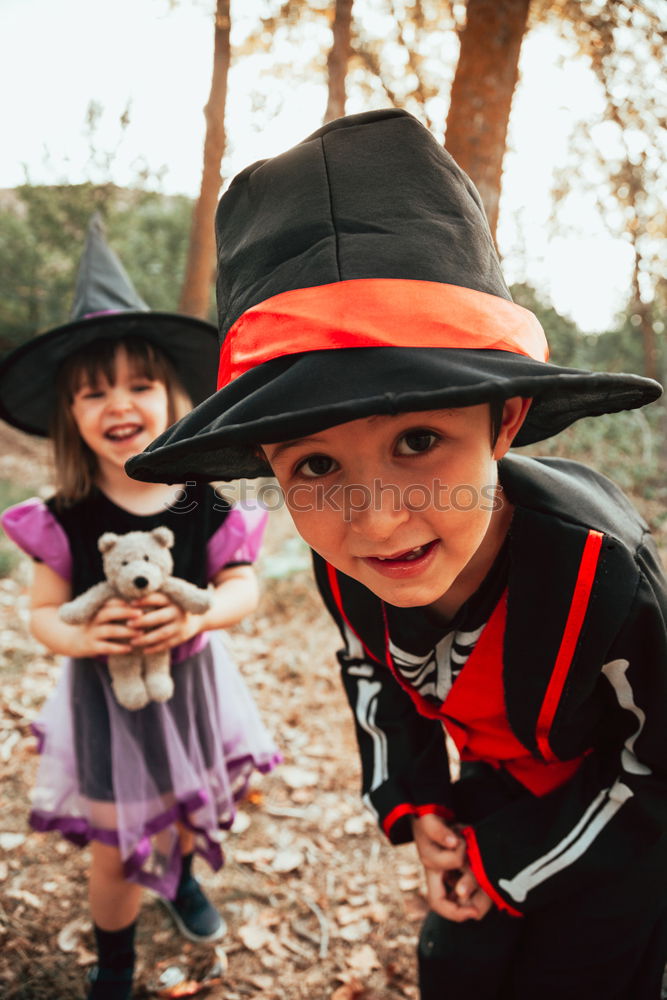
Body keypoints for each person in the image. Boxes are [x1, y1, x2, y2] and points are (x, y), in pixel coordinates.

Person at [126, 110, 667, 998]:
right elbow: (375, 675)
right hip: (483, 797)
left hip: (616, 836)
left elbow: (657, 769)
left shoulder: (604, 571)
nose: (374, 522)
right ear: (268, 467)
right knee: (454, 966)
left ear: (506, 419)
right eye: (315, 464)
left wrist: (506, 863)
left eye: (418, 440)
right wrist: (417, 808)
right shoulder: (345, 569)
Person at [0, 216, 280, 1000]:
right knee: (116, 844)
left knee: (187, 810)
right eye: (93, 392)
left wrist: (198, 618)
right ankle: (115, 964)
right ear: (70, 415)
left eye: (139, 384)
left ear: (173, 398)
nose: (118, 403)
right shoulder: (63, 515)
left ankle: (183, 880)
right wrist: (81, 640)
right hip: (103, 700)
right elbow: (43, 614)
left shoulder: (203, 501)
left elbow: (242, 585)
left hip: (192, 687)